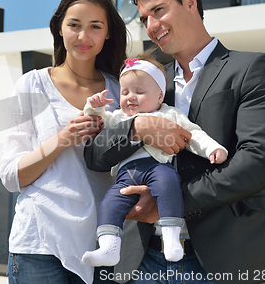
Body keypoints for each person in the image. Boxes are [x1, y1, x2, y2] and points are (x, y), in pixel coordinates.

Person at [84, 0, 265, 284]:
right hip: (141, 260)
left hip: (224, 260)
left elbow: (262, 161)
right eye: (144, 18)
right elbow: (95, 154)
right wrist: (138, 127)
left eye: (158, 10)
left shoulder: (250, 67)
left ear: (190, 2)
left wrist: (168, 203)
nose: (151, 26)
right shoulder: (146, 80)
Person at [0, 0, 127, 284]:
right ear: (59, 28)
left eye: (95, 26)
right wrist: (62, 140)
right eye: (74, 25)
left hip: (103, 243)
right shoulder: (31, 86)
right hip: (38, 245)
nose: (84, 36)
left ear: (108, 33)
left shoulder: (122, 90)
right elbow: (10, 176)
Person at [81, 53, 227, 266]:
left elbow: (192, 134)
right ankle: (108, 247)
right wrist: (95, 107)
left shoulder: (169, 114)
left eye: (139, 91)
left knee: (169, 185)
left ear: (160, 96)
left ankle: (171, 238)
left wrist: (212, 148)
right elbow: (100, 126)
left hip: (157, 167)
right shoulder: (119, 117)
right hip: (125, 175)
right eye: (125, 92)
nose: (130, 96)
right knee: (110, 203)